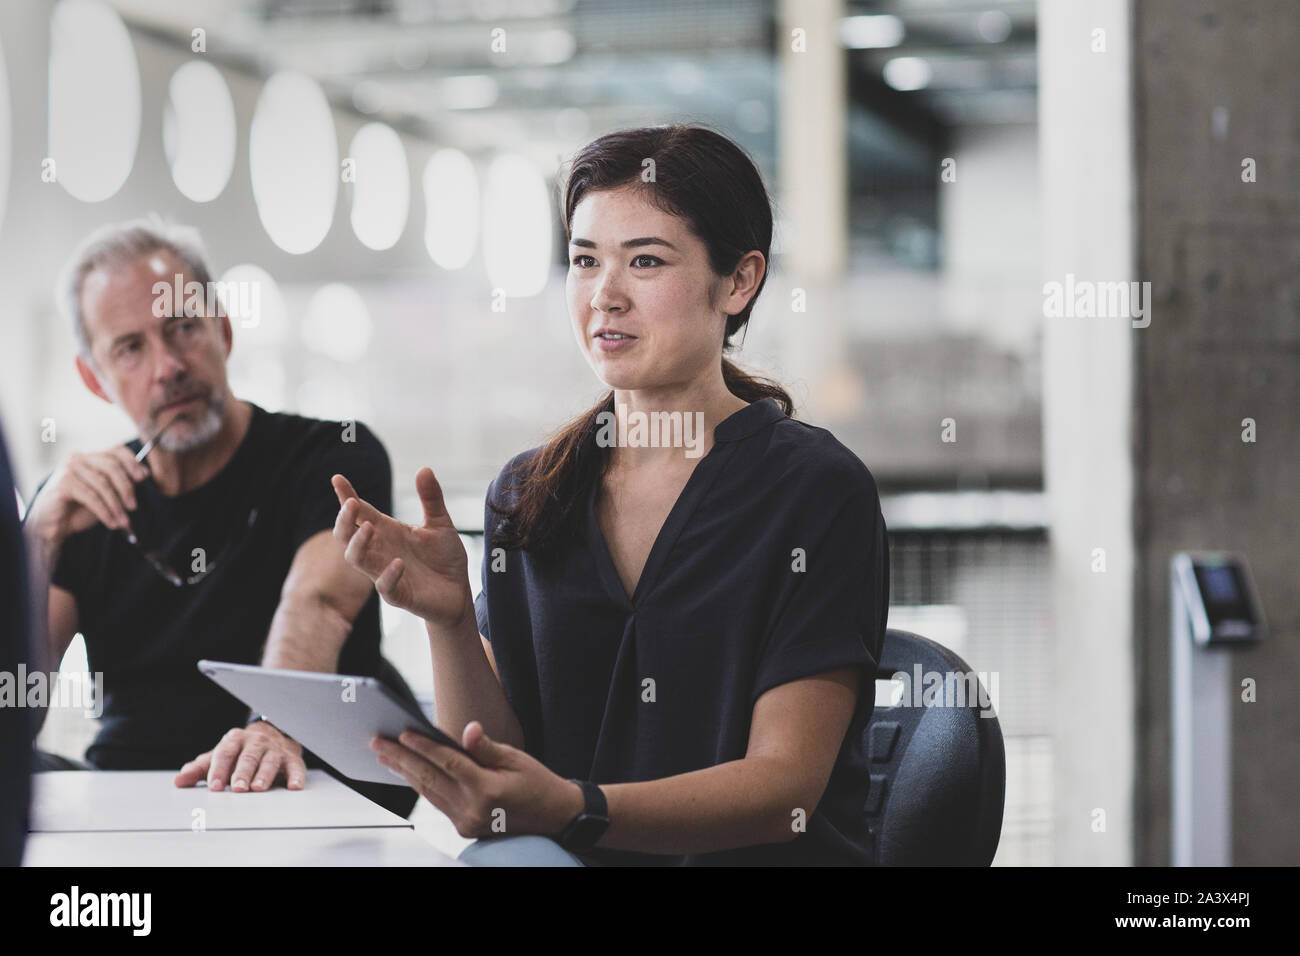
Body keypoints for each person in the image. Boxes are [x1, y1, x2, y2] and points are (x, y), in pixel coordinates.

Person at [332, 123, 890, 865]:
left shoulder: (814, 491)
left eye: (646, 262)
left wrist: (576, 809)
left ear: (740, 281)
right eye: (584, 260)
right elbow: (500, 773)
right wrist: (450, 620)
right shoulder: (530, 494)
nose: (605, 296)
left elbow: (784, 790)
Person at [22, 217, 418, 817]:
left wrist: (271, 725)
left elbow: (318, 603)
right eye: (130, 348)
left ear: (222, 329)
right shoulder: (80, 505)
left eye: (182, 329)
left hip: (303, 778)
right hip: (137, 791)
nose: (168, 367)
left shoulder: (331, 455)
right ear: (93, 378)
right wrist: (36, 538)